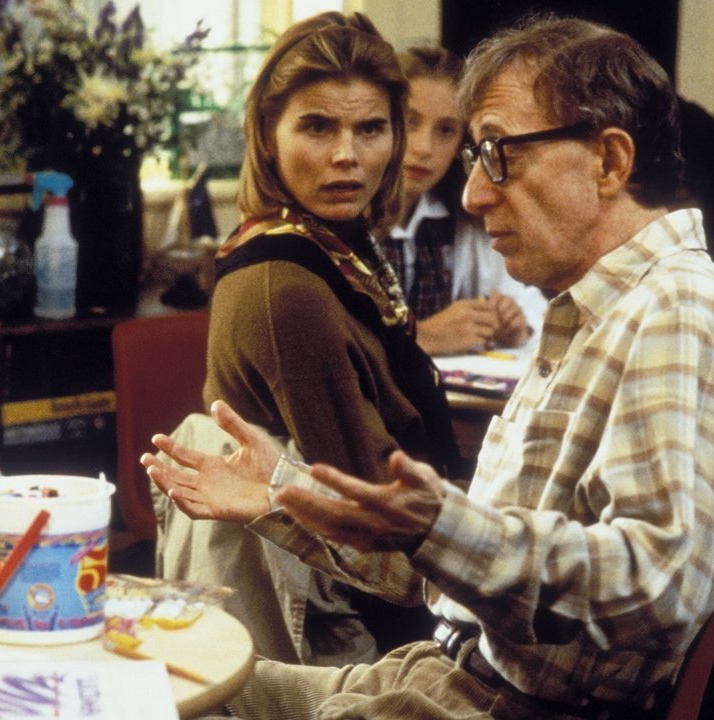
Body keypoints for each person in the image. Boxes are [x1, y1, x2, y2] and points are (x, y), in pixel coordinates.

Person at [145, 14, 714, 718]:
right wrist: (283, 495)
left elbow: (659, 588)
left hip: (494, 703)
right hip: (440, 673)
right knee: (165, 680)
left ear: (610, 161)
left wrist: (433, 527)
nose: (472, 193)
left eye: (498, 154)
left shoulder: (676, 308)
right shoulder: (598, 312)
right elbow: (451, 572)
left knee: (146, 694)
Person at [159, 12, 457, 667]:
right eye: (317, 127)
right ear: (268, 136)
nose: (347, 155)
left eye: (370, 129)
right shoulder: (286, 283)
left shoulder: (336, 241)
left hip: (384, 576)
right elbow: (368, 508)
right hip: (347, 625)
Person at [381, 45, 546, 357]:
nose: (424, 148)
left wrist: (515, 325)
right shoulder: (341, 223)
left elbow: (526, 304)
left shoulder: (462, 222)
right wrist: (423, 336)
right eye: (410, 122)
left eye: (445, 130)